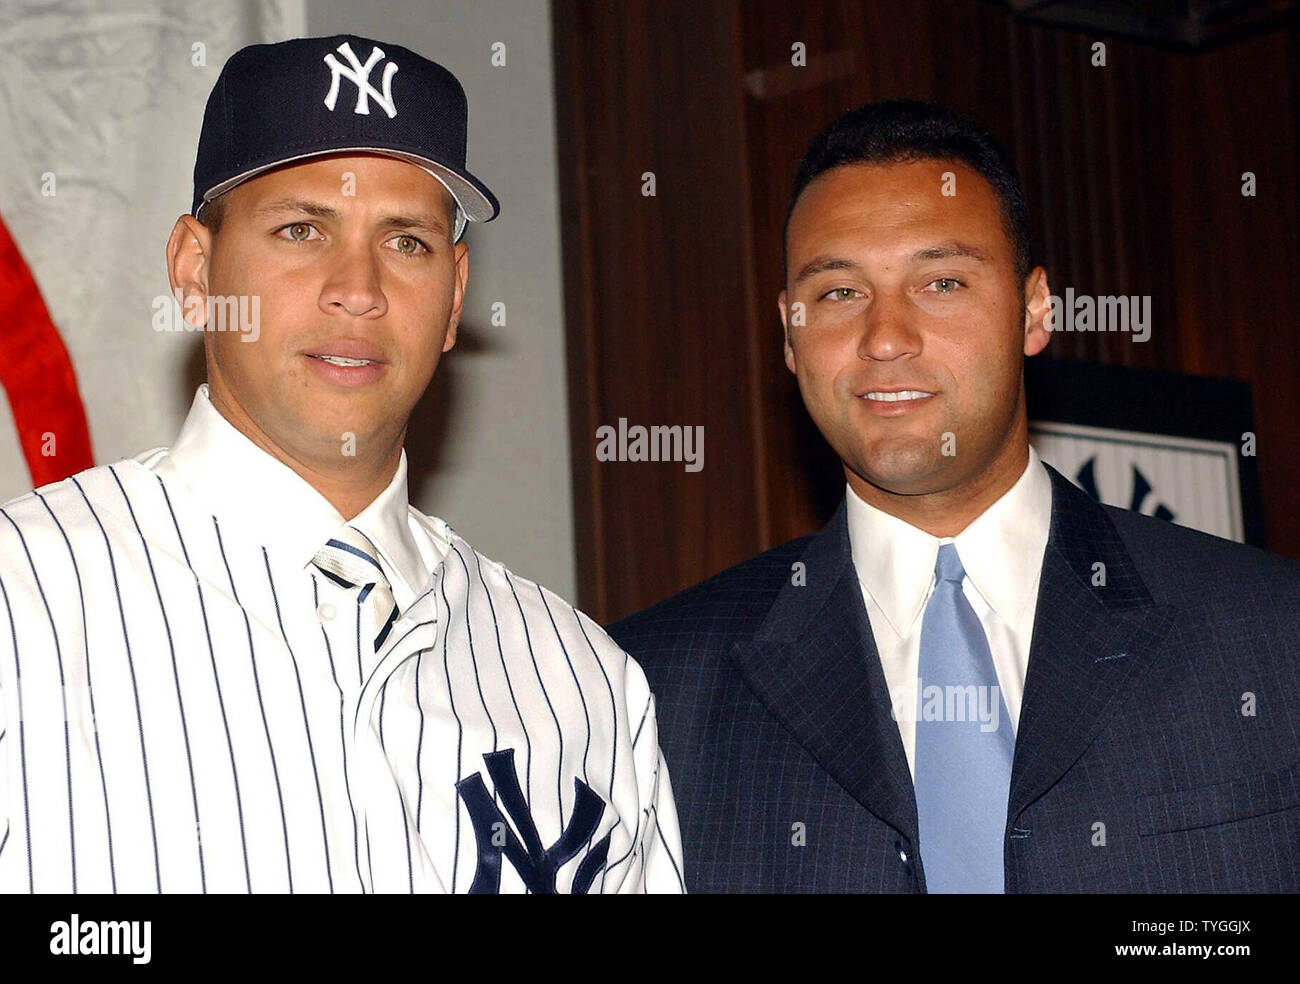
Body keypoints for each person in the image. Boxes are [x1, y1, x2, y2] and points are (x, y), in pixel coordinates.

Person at [0, 34, 683, 894]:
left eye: (406, 242)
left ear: (455, 297)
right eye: (300, 229)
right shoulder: (23, 601)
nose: (357, 288)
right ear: (194, 269)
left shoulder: (585, 682)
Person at [608, 99, 1300, 893]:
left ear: (1034, 309)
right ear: (789, 336)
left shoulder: (1270, 636)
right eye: (839, 293)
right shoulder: (647, 690)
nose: (886, 337)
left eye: (940, 281)